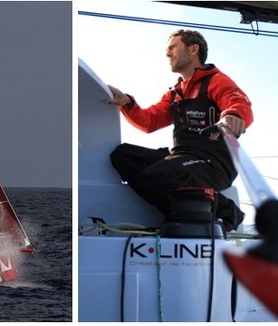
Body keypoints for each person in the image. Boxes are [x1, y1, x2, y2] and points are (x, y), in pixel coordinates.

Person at [104, 29, 251, 230]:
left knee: (156, 175)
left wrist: (233, 116)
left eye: (173, 47)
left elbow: (238, 103)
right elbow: (149, 122)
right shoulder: (176, 93)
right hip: (182, 158)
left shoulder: (217, 80)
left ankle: (226, 212)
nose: (167, 53)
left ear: (193, 49)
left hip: (213, 163)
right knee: (123, 156)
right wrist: (128, 104)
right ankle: (182, 215)